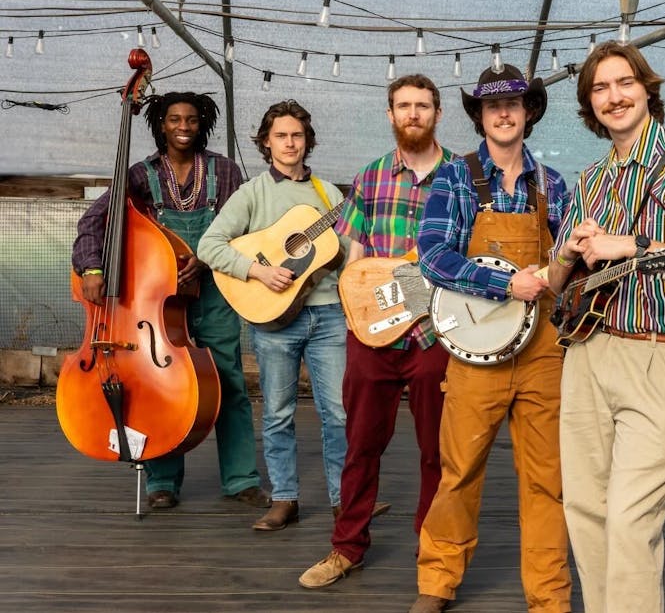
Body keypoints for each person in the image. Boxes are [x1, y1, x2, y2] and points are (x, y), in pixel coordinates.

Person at [547, 41, 665, 612]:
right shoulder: (589, 181)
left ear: (646, 89)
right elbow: (558, 284)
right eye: (600, 89)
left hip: (659, 356)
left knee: (631, 518)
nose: (614, 96)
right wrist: (571, 251)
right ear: (589, 104)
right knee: (585, 510)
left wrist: (629, 243)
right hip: (586, 356)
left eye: (623, 82)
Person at [407, 64, 572, 613]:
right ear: (479, 115)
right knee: (460, 471)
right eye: (492, 105)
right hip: (475, 355)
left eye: (515, 103)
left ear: (529, 113)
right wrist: (506, 281)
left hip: (544, 353)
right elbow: (433, 257)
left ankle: (549, 598)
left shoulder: (554, 186)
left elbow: (567, 271)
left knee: (549, 480)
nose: (504, 112)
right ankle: (437, 583)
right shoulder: (456, 178)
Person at [71, 91, 269, 511]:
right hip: (156, 303)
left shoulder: (225, 171)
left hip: (214, 292)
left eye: (192, 120)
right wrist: (92, 268)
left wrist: (211, 258)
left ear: (203, 124)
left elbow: (250, 230)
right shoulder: (140, 174)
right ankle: (162, 482)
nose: (183, 127)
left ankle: (240, 480)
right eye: (174, 119)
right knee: (159, 386)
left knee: (227, 382)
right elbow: (93, 220)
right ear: (160, 123)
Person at [298, 74, 454, 588]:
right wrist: (360, 310)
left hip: (436, 334)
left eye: (422, 106)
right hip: (372, 335)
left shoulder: (462, 177)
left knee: (438, 450)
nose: (413, 113)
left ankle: (432, 555)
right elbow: (356, 255)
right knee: (361, 443)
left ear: (437, 113)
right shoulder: (370, 177)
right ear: (390, 114)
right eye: (404, 106)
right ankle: (347, 548)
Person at [198, 100, 349, 531]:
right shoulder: (252, 193)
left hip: (329, 315)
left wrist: (343, 249)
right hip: (273, 322)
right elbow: (209, 246)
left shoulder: (331, 196)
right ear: (267, 142)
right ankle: (285, 498)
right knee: (278, 412)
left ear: (308, 141)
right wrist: (258, 270)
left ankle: (344, 502)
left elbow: (345, 253)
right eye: (281, 136)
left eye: (297, 135)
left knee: (337, 412)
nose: (290, 143)